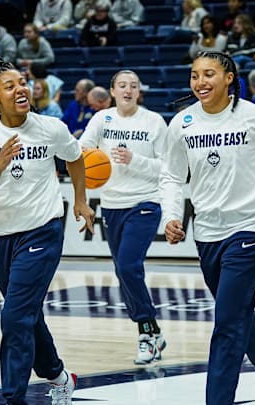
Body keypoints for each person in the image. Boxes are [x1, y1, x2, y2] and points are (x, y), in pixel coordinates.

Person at [160, 51, 255, 405]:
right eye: (194, 75)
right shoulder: (183, 123)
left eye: (209, 74)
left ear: (229, 77)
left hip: (252, 225)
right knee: (235, 315)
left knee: (227, 326)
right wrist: (171, 216)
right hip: (207, 232)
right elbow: (172, 176)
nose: (200, 82)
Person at [0, 60, 95, 405]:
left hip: (42, 232)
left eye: (23, 82)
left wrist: (80, 200)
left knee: (15, 315)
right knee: (27, 315)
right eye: (10, 85)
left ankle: (14, 398)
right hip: (1, 236)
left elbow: (75, 157)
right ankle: (60, 376)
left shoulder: (50, 127)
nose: (21, 88)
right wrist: (0, 163)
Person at [78, 69, 168, 364]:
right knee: (122, 271)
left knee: (129, 266)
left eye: (133, 86)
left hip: (145, 203)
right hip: (112, 204)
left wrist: (135, 160)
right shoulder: (102, 120)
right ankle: (153, 331)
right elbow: (81, 151)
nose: (128, 90)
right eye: (122, 85)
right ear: (112, 91)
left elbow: (168, 168)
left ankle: (145, 331)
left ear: (139, 91)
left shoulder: (154, 121)